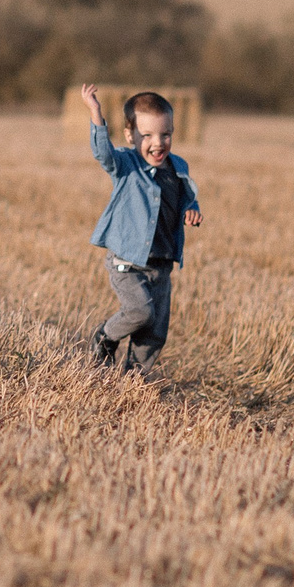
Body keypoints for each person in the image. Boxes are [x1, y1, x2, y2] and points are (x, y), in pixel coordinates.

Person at [77, 85, 203, 373]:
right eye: (146, 135)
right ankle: (105, 336)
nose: (158, 143)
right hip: (127, 261)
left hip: (161, 263)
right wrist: (96, 112)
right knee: (139, 311)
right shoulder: (126, 164)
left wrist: (191, 209)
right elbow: (103, 154)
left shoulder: (178, 167)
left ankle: (133, 381)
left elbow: (185, 198)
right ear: (130, 136)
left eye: (165, 134)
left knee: (155, 332)